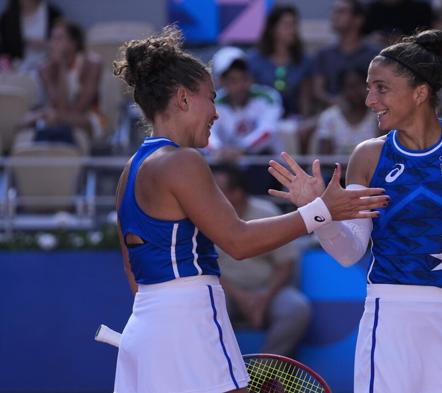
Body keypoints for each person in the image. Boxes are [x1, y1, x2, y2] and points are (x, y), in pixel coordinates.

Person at [268, 29, 442, 393]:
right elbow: (350, 251)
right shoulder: (368, 156)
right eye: (369, 88)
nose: (370, 99)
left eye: (381, 88)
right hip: (390, 322)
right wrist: (317, 211)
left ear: (420, 93)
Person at [111, 25, 388, 393]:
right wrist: (321, 211)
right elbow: (238, 241)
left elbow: (133, 270)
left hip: (144, 328)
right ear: (182, 99)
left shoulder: (130, 170)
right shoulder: (182, 162)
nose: (216, 112)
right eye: (211, 98)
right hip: (189, 316)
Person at [214, 165, 311, 357]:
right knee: (206, 306)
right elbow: (204, 269)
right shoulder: (206, 218)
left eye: (218, 189)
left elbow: (286, 264)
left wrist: (264, 299)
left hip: (267, 290)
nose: (211, 194)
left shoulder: (267, 212)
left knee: (296, 309)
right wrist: (242, 298)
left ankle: (265, 372)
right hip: (225, 292)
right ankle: (222, 373)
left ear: (237, 193)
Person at [20, 18, 103, 152]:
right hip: (59, 115)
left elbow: (79, 107)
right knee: (44, 118)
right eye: (52, 39)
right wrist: (60, 68)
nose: (53, 44)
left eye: (59, 39)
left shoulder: (92, 64)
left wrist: (63, 65)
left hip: (87, 116)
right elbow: (59, 104)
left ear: (73, 43)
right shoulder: (46, 69)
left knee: (50, 117)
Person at [208, 46, 283, 158]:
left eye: (244, 78)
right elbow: (207, 133)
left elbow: (268, 131)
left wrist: (242, 149)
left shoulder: (268, 97)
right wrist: (218, 150)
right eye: (233, 80)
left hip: (264, 161)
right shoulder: (213, 103)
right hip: (225, 162)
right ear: (222, 81)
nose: (240, 85)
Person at [247, 4, 313, 118]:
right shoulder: (254, 60)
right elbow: (250, 97)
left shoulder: (303, 61)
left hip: (293, 123)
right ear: (273, 29)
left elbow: (305, 100)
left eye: (294, 25)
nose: (292, 30)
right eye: (287, 25)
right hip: (260, 120)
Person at [312, 0, 378, 109]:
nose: (334, 16)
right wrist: (334, 102)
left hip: (368, 113)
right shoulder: (324, 54)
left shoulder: (374, 55)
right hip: (332, 115)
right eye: (334, 12)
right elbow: (318, 91)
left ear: (358, 20)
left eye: (341, 12)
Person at [311, 65, 378, 155]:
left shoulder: (378, 116)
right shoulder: (329, 117)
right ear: (342, 90)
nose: (356, 91)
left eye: (361, 85)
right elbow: (325, 160)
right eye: (351, 87)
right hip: (337, 168)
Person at [0, 0, 62, 71]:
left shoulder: (52, 14)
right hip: (17, 71)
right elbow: (4, 50)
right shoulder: (7, 18)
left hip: (48, 70)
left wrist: (46, 44)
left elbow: (62, 43)